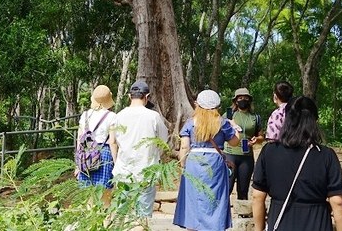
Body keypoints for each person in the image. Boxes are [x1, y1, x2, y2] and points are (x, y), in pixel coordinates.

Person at [251, 96, 342, 231]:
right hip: (317, 222)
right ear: (315, 121)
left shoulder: (269, 151)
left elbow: (257, 197)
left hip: (281, 222)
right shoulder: (326, 155)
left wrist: (258, 229)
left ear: (287, 119)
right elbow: (337, 203)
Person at [173, 89, 241, 231]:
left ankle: (192, 226)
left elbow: (184, 146)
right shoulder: (222, 122)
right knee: (215, 198)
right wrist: (236, 128)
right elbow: (234, 142)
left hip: (194, 161)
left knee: (193, 197)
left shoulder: (191, 122)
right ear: (217, 106)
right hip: (215, 162)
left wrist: (183, 166)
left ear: (198, 105)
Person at [110, 79, 170, 221]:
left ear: (130, 96)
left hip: (123, 172)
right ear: (147, 97)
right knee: (142, 216)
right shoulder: (153, 116)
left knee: (121, 213)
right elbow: (163, 141)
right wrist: (156, 156)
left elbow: (112, 142)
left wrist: (116, 162)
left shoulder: (119, 116)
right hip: (146, 172)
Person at [224, 87, 263, 207]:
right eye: (240, 98)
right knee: (227, 186)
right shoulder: (230, 114)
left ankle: (243, 215)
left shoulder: (255, 117)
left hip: (246, 156)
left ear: (249, 100)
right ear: (235, 101)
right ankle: (221, 213)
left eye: (246, 98)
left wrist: (257, 140)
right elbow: (220, 130)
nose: (243, 100)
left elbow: (261, 135)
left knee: (243, 188)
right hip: (230, 153)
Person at [76, 84, 116, 195]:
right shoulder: (111, 116)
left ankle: (89, 211)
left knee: (87, 192)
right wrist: (116, 163)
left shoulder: (85, 115)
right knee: (104, 192)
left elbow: (79, 140)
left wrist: (77, 164)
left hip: (86, 155)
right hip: (103, 155)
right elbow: (112, 142)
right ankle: (104, 212)